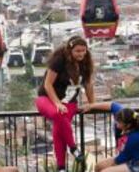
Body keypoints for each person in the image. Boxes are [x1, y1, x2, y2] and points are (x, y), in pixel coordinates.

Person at [35, 36, 95, 172]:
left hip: (69, 101)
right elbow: (48, 84)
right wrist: (57, 103)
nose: (81, 54)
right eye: (77, 51)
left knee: (58, 130)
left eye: (83, 51)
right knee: (58, 114)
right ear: (70, 51)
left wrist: (93, 104)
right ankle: (73, 147)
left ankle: (61, 167)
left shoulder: (85, 64)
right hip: (47, 98)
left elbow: (88, 85)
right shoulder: (59, 61)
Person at [82, 105, 139, 172]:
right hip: (130, 156)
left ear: (128, 125)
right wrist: (91, 105)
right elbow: (113, 105)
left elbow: (120, 160)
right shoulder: (130, 118)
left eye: (119, 122)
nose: (116, 124)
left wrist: (110, 167)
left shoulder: (134, 138)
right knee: (98, 166)